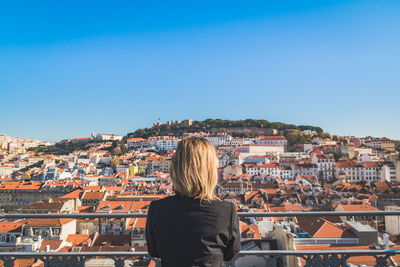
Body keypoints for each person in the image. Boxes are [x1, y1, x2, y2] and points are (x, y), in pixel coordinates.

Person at [146, 136, 241, 267]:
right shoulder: (226, 211)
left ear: (176, 169)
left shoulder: (157, 209)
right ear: (210, 170)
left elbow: (154, 251)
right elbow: (231, 253)